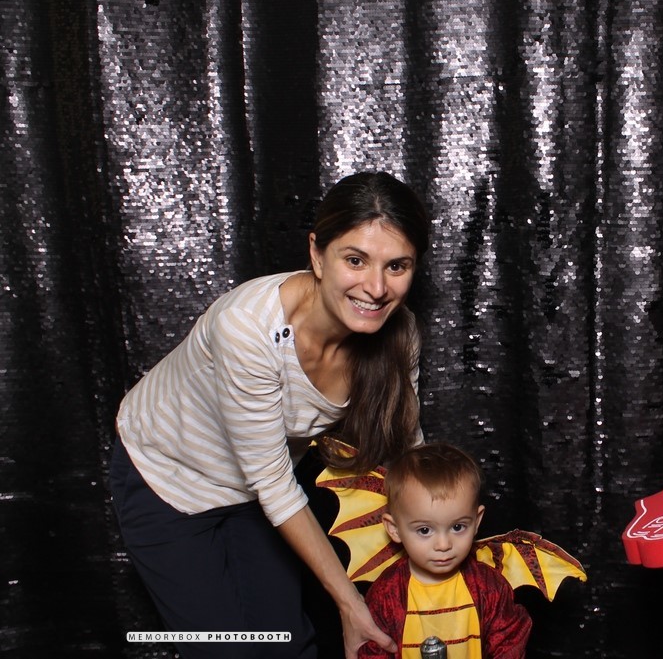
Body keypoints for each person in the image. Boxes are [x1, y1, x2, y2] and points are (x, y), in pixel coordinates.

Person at [108, 171, 430, 659]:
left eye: (397, 266)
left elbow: (407, 445)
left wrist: (437, 531)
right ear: (317, 254)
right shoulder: (248, 327)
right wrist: (349, 604)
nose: (376, 287)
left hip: (259, 493)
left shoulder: (398, 332)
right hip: (168, 482)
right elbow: (274, 484)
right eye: (355, 260)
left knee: (288, 644)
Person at [358, 442, 532, 659]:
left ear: (476, 521)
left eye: (458, 527)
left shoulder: (488, 587)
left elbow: (509, 640)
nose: (443, 545)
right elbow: (374, 651)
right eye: (424, 530)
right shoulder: (387, 594)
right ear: (394, 529)